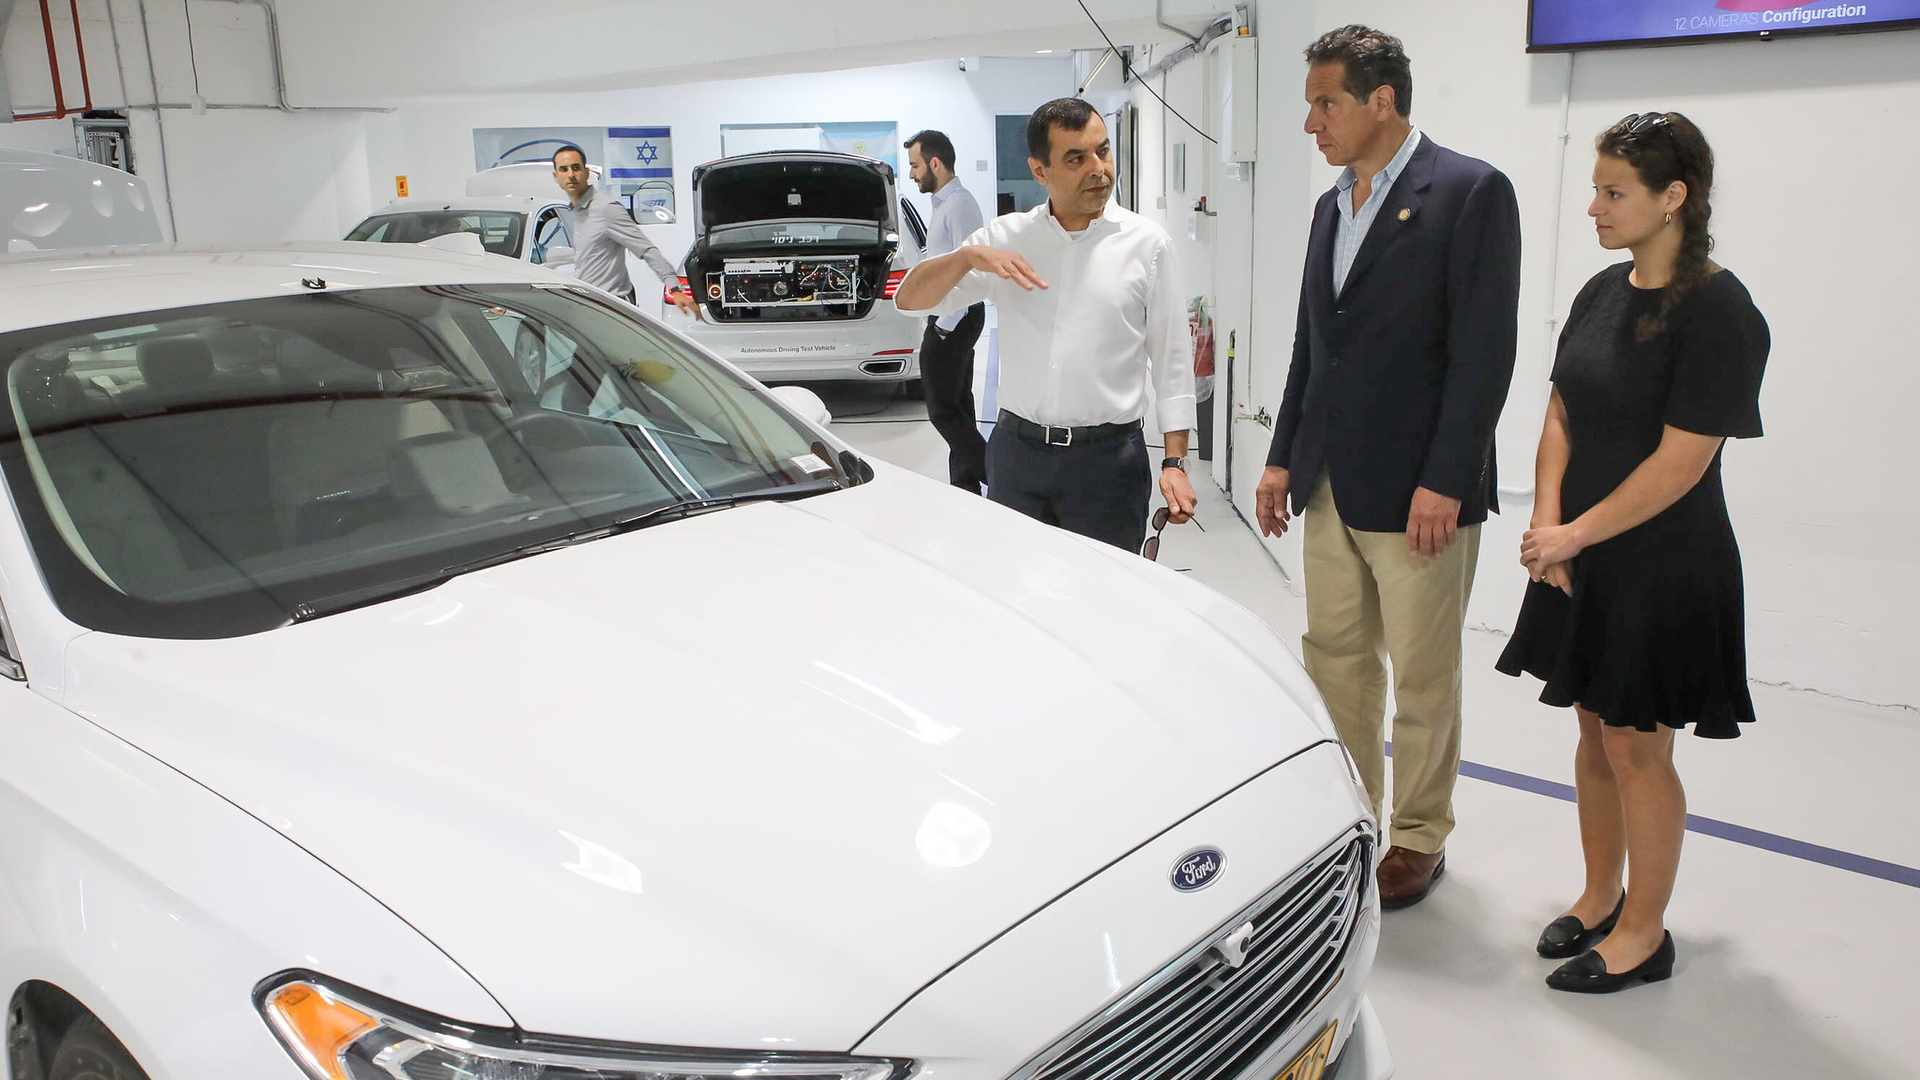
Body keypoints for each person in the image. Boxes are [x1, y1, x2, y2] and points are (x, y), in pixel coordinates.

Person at [1496, 112, 1767, 993]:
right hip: (1579, 551)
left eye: (1614, 192)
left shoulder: (1723, 314)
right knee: (1592, 728)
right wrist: (1549, 526)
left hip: (1660, 561)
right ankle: (1600, 893)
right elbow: (1561, 411)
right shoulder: (1602, 292)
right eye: (1596, 189)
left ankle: (1645, 933)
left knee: (1638, 746)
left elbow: (1682, 463)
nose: (1594, 207)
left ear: (1674, 197)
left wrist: (1574, 532)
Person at [1253, 25, 1521, 909]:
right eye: (1310, 105)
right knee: (1335, 660)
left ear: (1382, 101)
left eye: (1326, 103)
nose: (1312, 123)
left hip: (1420, 495)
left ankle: (1417, 837)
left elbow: (1482, 355)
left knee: (1423, 674)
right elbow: (1311, 347)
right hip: (1331, 481)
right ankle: (1355, 814)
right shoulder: (1331, 207)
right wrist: (1283, 457)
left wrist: (1446, 478)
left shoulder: (1471, 193)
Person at [895, 98, 1196, 551]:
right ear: (1040, 171)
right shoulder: (1006, 239)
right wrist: (965, 257)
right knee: (1017, 596)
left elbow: (1172, 359)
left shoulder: (1146, 245)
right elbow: (910, 301)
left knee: (1107, 599)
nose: (1097, 169)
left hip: (1109, 462)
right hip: (1018, 458)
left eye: (1103, 151)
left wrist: (1175, 461)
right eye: (1076, 158)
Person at [904, 129, 990, 493]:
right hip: (950, 316)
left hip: (956, 317)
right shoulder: (943, 205)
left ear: (935, 163)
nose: (911, 174)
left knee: (941, 410)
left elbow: (971, 268)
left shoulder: (960, 206)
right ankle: (965, 486)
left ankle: (1001, 480)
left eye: (915, 165)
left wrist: (944, 326)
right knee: (960, 404)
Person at [551, 145, 698, 316]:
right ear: (556, 176)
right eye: (564, 169)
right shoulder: (576, 214)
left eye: (576, 168)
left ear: (586, 172)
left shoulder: (607, 209)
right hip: (588, 307)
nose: (571, 174)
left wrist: (675, 287)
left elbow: (646, 249)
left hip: (610, 308)